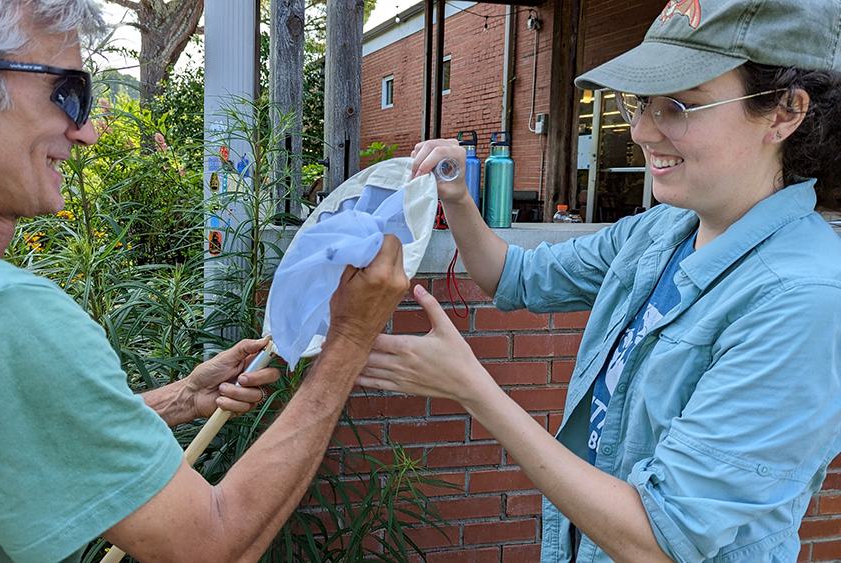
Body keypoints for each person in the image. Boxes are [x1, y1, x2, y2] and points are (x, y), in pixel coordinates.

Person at [0, 1, 409, 561]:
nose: (86, 131)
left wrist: (180, 398)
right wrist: (348, 344)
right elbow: (210, 545)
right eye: (68, 92)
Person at [357, 1, 841, 561]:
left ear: (785, 112)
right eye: (642, 105)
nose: (640, 131)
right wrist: (460, 199)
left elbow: (662, 539)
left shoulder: (803, 299)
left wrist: (474, 389)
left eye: (680, 106)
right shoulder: (660, 232)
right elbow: (514, 277)